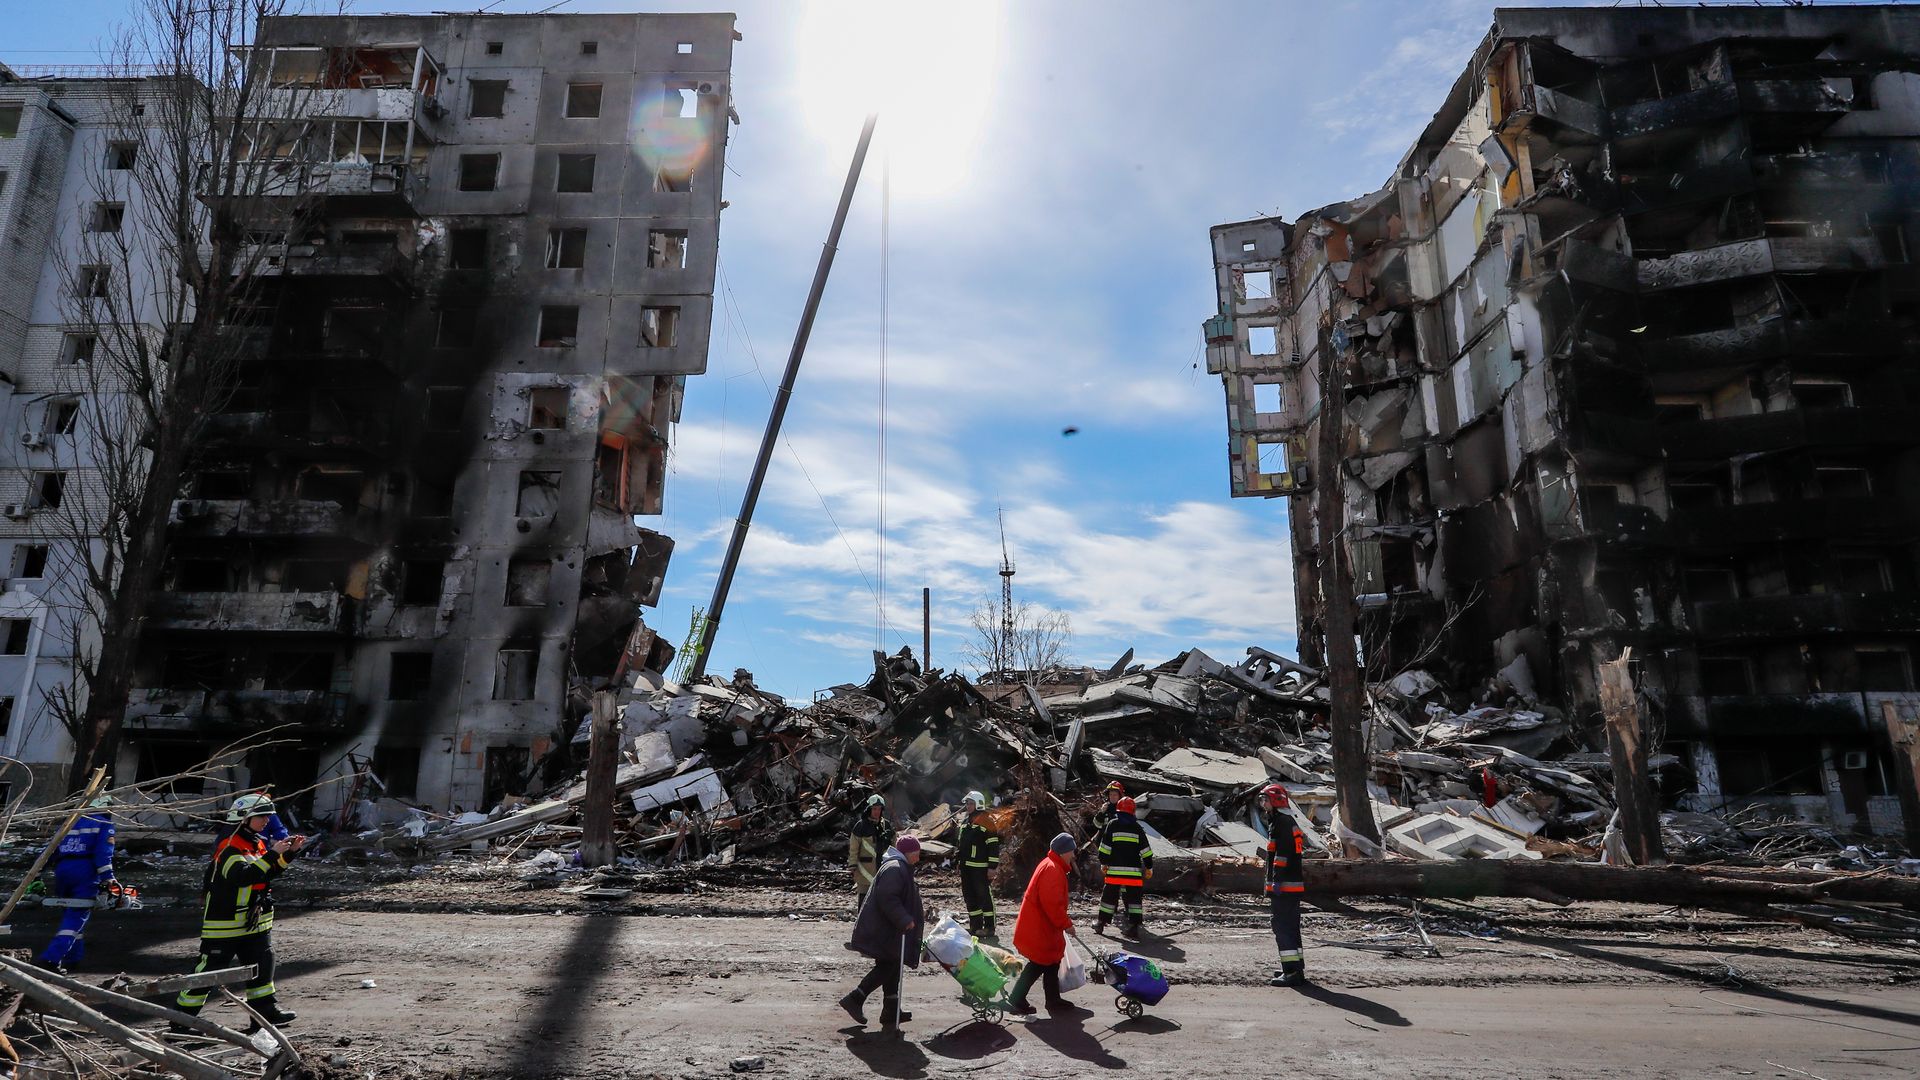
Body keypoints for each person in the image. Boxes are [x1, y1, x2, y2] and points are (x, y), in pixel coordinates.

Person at [174, 793, 305, 1028]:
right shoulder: (229, 847)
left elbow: (266, 873)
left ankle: (265, 1015)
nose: (266, 821)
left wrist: (289, 853)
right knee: (207, 974)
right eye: (261, 816)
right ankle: (181, 1022)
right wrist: (273, 853)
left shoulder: (255, 842)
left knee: (262, 967)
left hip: (254, 922)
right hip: (225, 924)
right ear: (243, 819)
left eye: (267, 816)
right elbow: (243, 877)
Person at [839, 833, 924, 1033]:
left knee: (893, 967)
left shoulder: (899, 867)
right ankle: (855, 998)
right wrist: (904, 919)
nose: (918, 858)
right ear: (908, 853)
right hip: (885, 930)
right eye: (917, 854)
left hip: (888, 930)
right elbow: (888, 898)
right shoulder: (895, 869)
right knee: (887, 967)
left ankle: (891, 1011)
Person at [1003, 832, 1080, 1016]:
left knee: (1051, 962)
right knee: (1039, 963)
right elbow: (1052, 904)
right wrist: (1066, 924)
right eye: (1071, 851)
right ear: (1063, 852)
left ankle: (1052, 1000)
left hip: (1040, 925)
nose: (1073, 855)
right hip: (1040, 927)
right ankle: (1016, 999)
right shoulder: (1053, 870)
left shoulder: (1051, 865)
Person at [38, 795, 117, 971]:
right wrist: (108, 878)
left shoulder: (69, 823)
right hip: (85, 871)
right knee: (76, 915)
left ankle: (73, 958)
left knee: (70, 913)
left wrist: (36, 873)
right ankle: (51, 958)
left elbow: (50, 851)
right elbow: (103, 854)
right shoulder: (104, 824)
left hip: (63, 870)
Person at [1262, 784, 1308, 986]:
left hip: (1285, 886)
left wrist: (1276, 881)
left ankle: (1291, 973)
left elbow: (1281, 856)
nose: (1263, 804)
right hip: (1292, 885)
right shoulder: (1285, 821)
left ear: (1276, 801)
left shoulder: (1281, 822)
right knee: (1291, 927)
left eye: (1265, 799)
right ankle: (1295, 968)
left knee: (1282, 926)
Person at [1095, 796, 1152, 936]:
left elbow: (1104, 848)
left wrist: (1103, 862)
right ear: (1133, 812)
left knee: (1109, 898)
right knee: (1134, 900)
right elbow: (1146, 850)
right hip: (1133, 874)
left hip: (1114, 872)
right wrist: (1149, 866)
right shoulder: (1137, 828)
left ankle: (1101, 924)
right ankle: (1134, 927)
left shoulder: (1112, 825)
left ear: (1118, 810)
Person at [955, 791, 1001, 941]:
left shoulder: (987, 822)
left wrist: (992, 867)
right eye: (967, 803)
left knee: (984, 896)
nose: (968, 806)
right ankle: (975, 927)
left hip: (980, 867)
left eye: (971, 803)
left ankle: (989, 927)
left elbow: (993, 846)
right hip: (966, 867)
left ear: (978, 804)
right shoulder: (966, 822)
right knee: (970, 897)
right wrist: (958, 861)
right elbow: (962, 844)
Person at [848, 793, 893, 907]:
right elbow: (853, 847)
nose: (876, 812)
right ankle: (862, 924)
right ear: (869, 809)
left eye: (879, 809)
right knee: (864, 902)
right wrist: (852, 865)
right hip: (865, 870)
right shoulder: (861, 826)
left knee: (882, 901)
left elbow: (894, 847)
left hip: (882, 869)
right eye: (874, 809)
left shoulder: (886, 826)